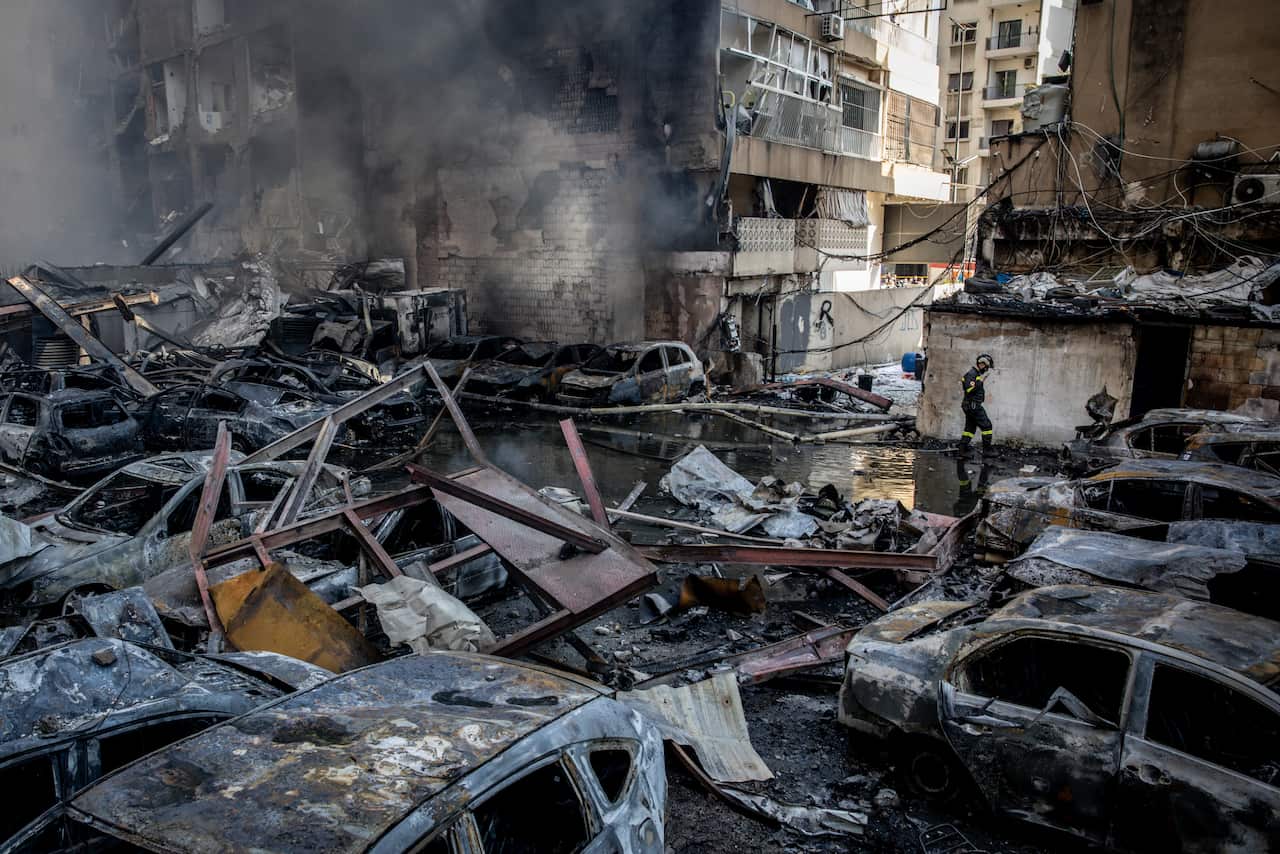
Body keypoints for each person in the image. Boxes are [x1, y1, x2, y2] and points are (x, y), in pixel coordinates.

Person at [957, 353, 994, 454]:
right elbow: (969, 389)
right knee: (986, 426)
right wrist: (980, 381)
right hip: (973, 405)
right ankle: (987, 451)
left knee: (970, 429)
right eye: (986, 367)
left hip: (970, 405)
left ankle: (961, 451)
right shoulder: (972, 374)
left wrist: (980, 380)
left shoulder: (976, 374)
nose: (986, 370)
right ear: (981, 364)